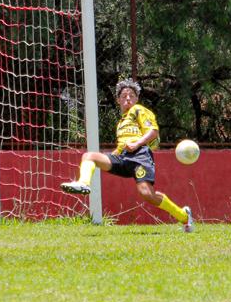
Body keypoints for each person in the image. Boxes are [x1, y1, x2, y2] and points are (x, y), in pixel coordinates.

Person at [61, 78, 194, 231]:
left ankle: (183, 216)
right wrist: (112, 156)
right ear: (118, 100)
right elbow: (123, 145)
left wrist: (137, 144)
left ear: (137, 98)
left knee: (146, 194)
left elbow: (153, 131)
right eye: (124, 96)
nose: (128, 98)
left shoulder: (139, 110)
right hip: (123, 156)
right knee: (89, 156)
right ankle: (83, 184)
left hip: (140, 155)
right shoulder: (121, 123)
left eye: (131, 95)